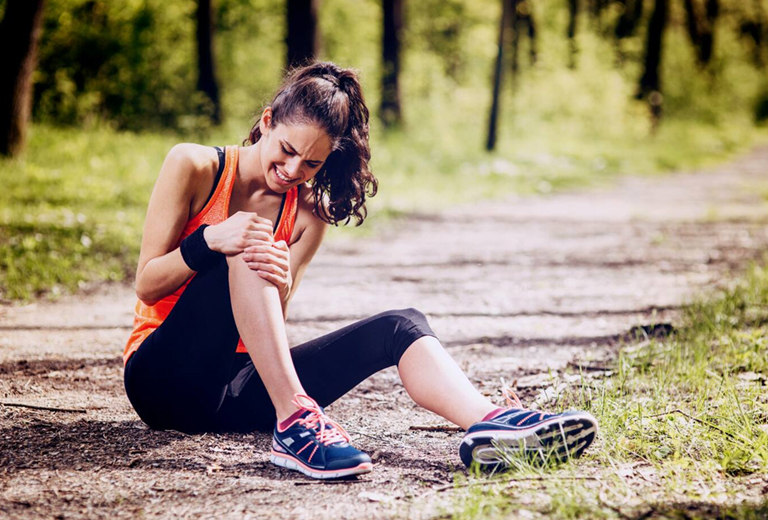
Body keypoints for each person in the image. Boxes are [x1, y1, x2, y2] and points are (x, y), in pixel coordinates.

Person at [122, 61, 597, 480]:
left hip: (235, 391)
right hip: (162, 379)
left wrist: (282, 281)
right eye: (286, 150)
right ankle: (296, 423)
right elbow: (146, 283)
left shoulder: (308, 214)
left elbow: (265, 325)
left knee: (401, 325)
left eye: (311, 163)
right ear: (267, 122)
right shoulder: (196, 165)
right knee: (248, 245)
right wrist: (208, 241)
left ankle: (490, 423)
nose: (292, 169)